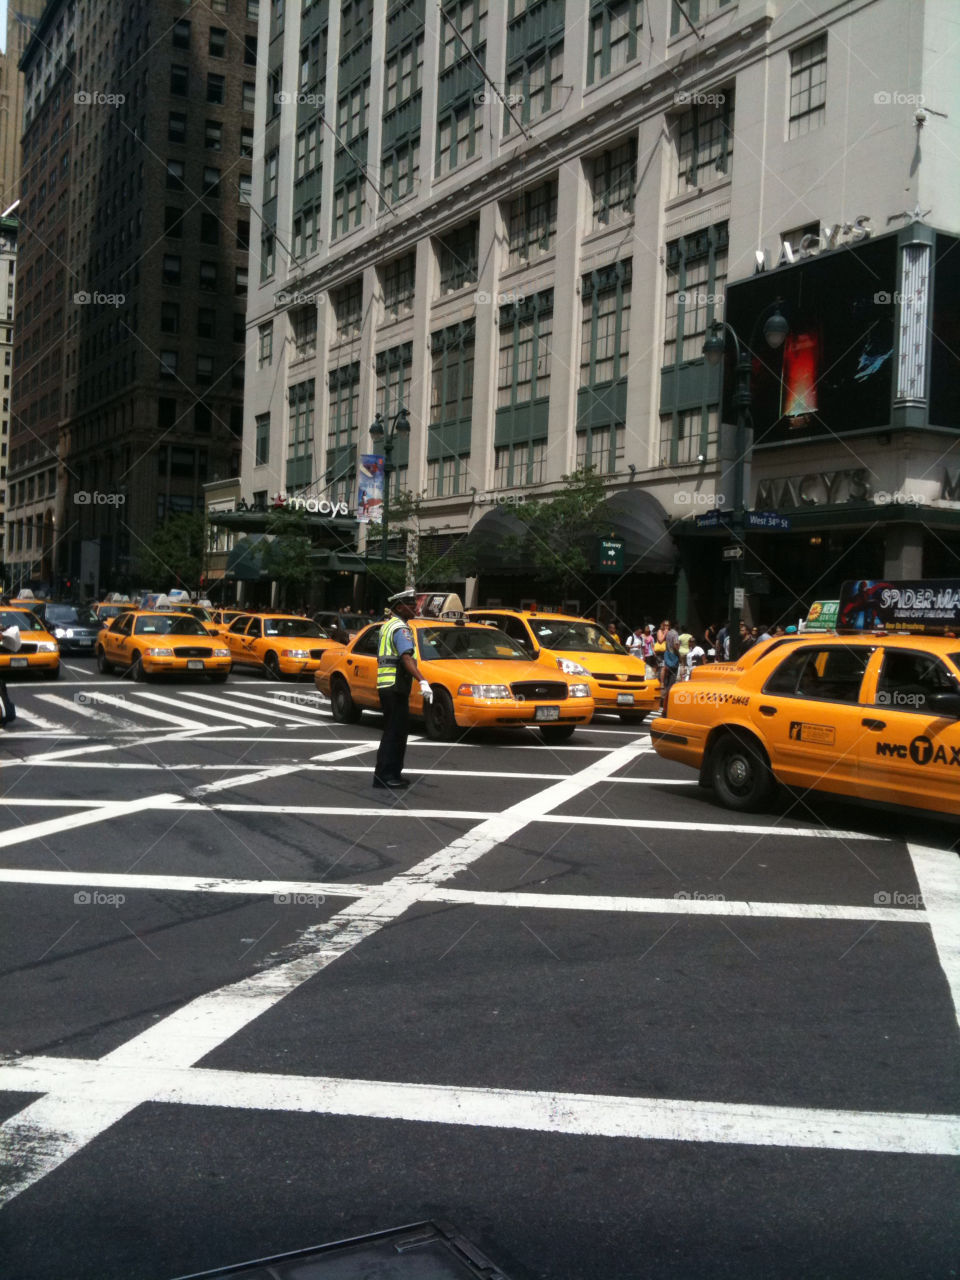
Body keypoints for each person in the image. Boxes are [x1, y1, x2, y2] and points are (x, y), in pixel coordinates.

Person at [374, 588, 433, 790]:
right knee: (396, 732)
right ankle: (386, 776)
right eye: (411, 605)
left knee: (393, 731)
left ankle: (387, 773)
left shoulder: (388, 625)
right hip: (395, 686)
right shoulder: (401, 628)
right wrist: (422, 680)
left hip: (388, 685)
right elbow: (406, 658)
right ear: (399, 607)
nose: (415, 608)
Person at [660, 619, 681, 696]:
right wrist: (679, 655)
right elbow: (676, 646)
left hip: (667, 654)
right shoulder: (675, 634)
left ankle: (664, 692)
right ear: (676, 625)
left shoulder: (668, 633)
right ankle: (668, 693)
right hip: (673, 656)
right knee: (673, 675)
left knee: (667, 674)